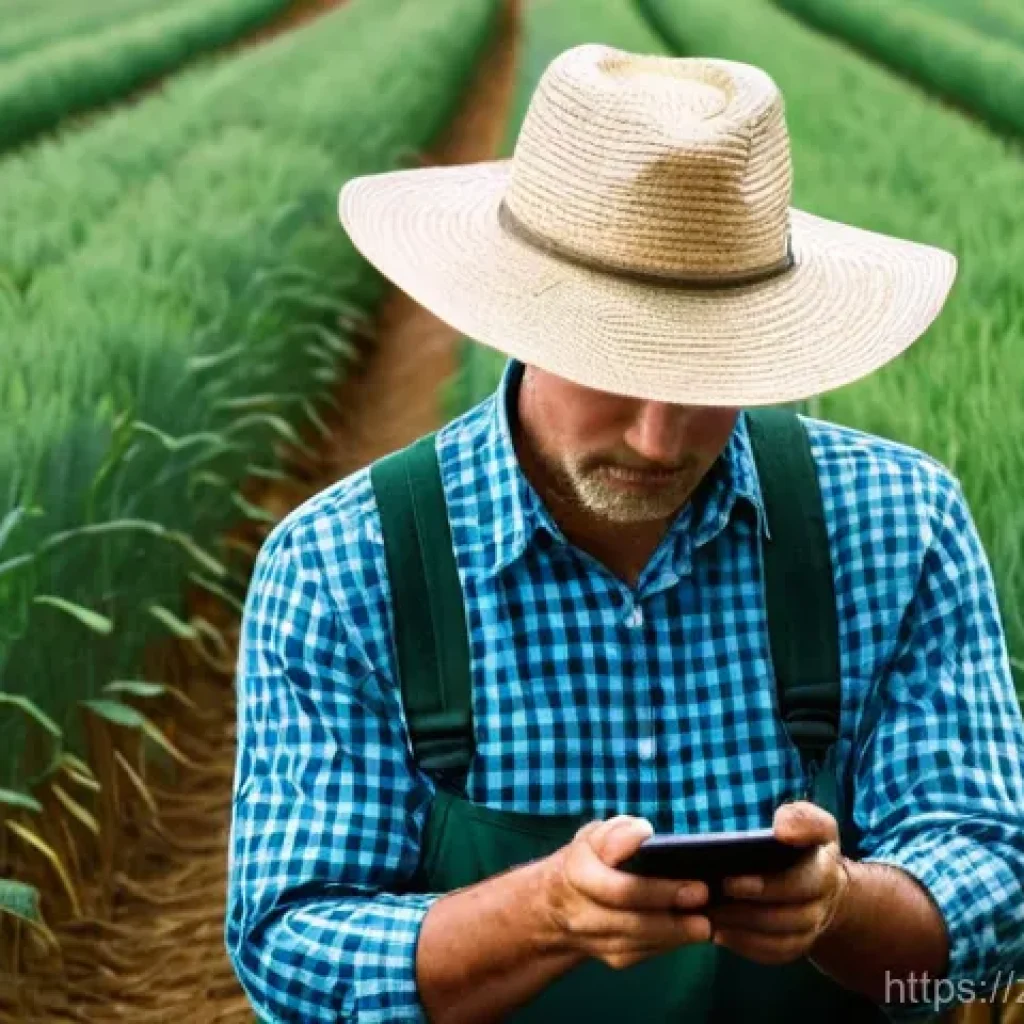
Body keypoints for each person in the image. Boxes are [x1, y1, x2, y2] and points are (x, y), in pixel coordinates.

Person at [225, 45, 1024, 1023]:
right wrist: (545, 910)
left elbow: (993, 878)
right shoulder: (342, 568)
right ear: (515, 313)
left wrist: (840, 904)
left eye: (706, 375)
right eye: (612, 363)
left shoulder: (899, 525)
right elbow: (289, 943)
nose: (657, 436)